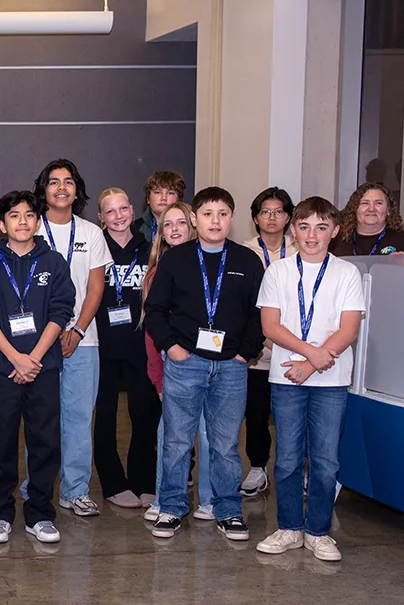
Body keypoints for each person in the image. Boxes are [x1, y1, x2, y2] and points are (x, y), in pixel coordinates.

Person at [144, 187, 265, 541]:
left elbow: (261, 313)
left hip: (231, 365)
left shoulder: (246, 261)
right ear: (195, 219)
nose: (215, 220)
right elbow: (154, 310)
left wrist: (245, 352)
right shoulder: (176, 259)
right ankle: (171, 507)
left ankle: (227, 509)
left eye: (223, 213)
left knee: (226, 444)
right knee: (177, 441)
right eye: (208, 214)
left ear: (232, 218)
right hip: (186, 362)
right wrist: (172, 347)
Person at [255, 196, 365, 562]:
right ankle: (289, 527)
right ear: (293, 231)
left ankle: (318, 531)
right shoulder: (278, 272)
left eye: (321, 227)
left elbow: (349, 328)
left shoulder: (347, 273)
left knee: (325, 459)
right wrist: (310, 355)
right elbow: (270, 325)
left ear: (334, 231)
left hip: (331, 381)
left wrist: (315, 362)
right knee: (286, 458)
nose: (312, 235)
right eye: (304, 227)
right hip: (287, 377)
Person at [0, 190, 75, 544]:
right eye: (14, 216)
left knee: (45, 441)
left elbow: (61, 311)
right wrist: (16, 359)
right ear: (2, 224)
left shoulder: (54, 262)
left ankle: (40, 513)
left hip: (43, 368)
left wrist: (34, 358)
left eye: (29, 215)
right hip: (3, 367)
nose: (22, 221)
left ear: (37, 221)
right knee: (0, 440)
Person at [32, 159, 111, 517]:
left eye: (68, 181)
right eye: (53, 182)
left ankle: (76, 489)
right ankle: (39, 484)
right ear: (43, 189)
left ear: (76, 189)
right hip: (36, 342)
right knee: (41, 417)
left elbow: (96, 287)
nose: (61, 187)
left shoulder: (92, 232)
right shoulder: (30, 228)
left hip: (84, 340)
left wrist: (78, 329)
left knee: (79, 417)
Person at [139, 202, 214, 523]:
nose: (173, 229)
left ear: (193, 224)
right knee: (169, 435)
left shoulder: (212, 265)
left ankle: (210, 501)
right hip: (174, 366)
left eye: (180, 223)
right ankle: (165, 498)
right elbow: (151, 331)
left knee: (211, 434)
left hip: (212, 363)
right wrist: (157, 378)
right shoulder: (157, 271)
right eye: (166, 225)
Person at [91, 188, 158, 509]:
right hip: (101, 343)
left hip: (139, 344)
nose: (118, 216)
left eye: (123, 209)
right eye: (110, 211)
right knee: (104, 416)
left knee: (144, 414)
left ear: (133, 210)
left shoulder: (149, 250)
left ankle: (144, 480)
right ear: (100, 217)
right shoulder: (94, 250)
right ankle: (113, 483)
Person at [238, 187, 298, 498]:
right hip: (257, 353)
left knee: (292, 415)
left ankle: (297, 470)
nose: (272, 218)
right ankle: (259, 468)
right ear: (256, 218)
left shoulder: (304, 248)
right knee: (257, 413)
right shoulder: (245, 252)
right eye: (265, 212)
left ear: (288, 216)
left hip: (295, 351)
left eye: (278, 211)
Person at [330, 182, 404, 256]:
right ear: (354, 208)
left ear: (388, 210)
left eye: (378, 203)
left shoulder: (401, 240)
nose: (371, 209)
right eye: (365, 203)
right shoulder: (335, 241)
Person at [133, 171, 186, 242]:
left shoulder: (190, 228)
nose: (163, 198)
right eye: (158, 192)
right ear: (148, 198)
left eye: (170, 193)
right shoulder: (134, 229)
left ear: (179, 199)